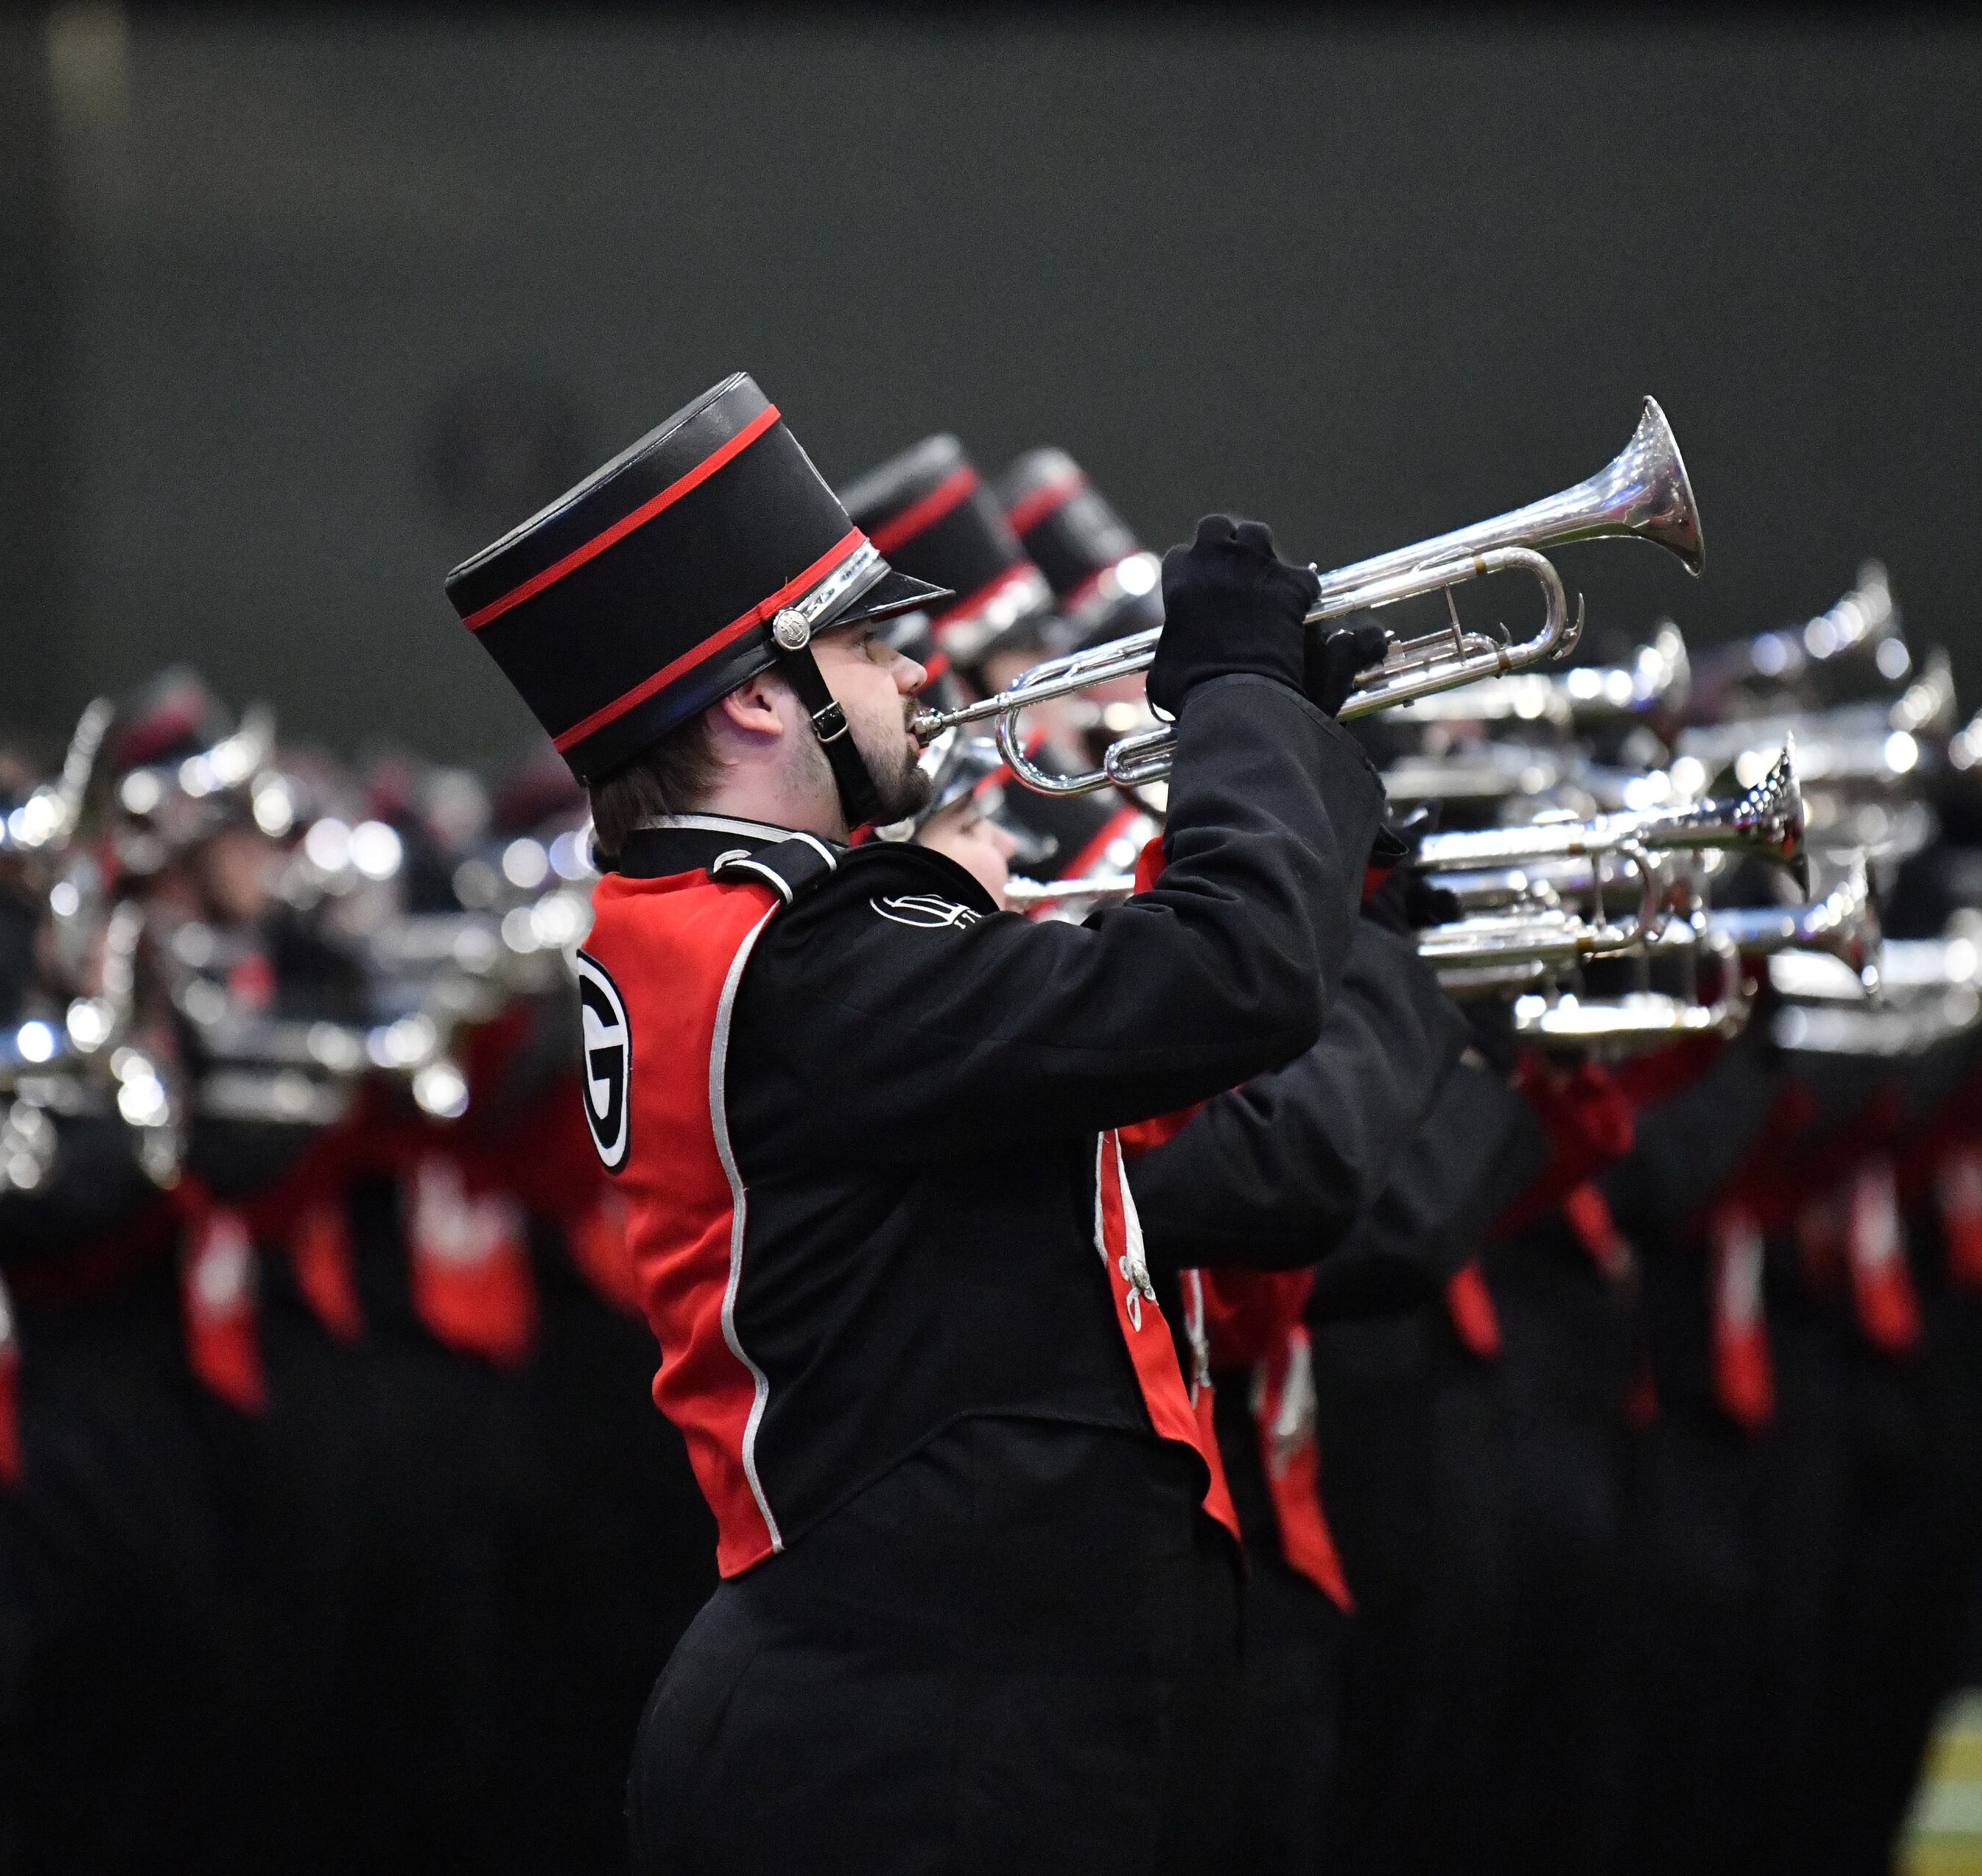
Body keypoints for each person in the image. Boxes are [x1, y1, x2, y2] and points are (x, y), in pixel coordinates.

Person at [444, 371, 1385, 1874]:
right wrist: (1242, 699)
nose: (918, 681)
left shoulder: (761, 932)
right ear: (760, 694)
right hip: (912, 1740)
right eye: (873, 643)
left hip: (929, 1705)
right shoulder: (811, 962)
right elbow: (1241, 976)